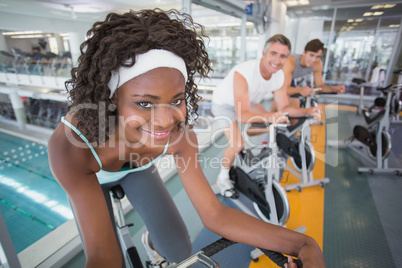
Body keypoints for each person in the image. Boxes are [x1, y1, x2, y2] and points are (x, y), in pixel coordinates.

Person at [48, 9, 325, 268]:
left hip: (138, 168)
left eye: (177, 100)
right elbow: (102, 257)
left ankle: (152, 245)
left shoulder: (178, 134)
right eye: (145, 103)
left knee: (180, 251)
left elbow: (214, 214)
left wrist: (302, 244)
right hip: (90, 175)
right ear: (111, 99)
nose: (167, 120)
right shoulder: (71, 147)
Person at [211, 34, 322, 199]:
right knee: (236, 144)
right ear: (264, 54)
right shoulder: (244, 73)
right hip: (224, 104)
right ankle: (223, 178)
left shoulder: (278, 76)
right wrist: (270, 117)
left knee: (271, 122)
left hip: (249, 101)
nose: (277, 60)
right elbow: (241, 116)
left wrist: (308, 111)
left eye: (283, 56)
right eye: (273, 54)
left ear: (287, 58)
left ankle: (249, 147)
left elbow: (284, 107)